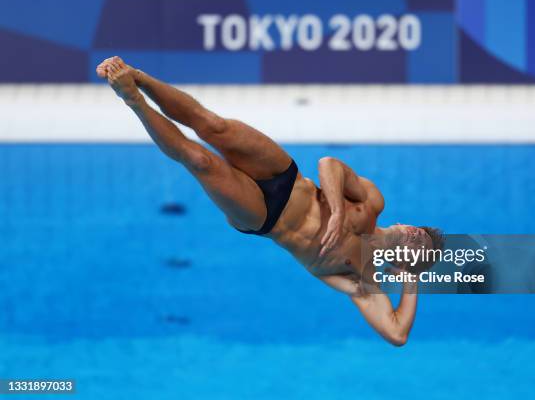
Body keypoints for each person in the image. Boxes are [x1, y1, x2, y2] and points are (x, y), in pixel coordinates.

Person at [96, 56, 444, 346]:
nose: (412, 234)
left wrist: (410, 281)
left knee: (200, 161)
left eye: (417, 245)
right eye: (418, 231)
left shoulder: (360, 278)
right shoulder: (372, 204)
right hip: (286, 178)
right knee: (213, 125)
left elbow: (397, 335)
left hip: (264, 218)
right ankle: (137, 76)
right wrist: (337, 210)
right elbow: (329, 165)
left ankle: (133, 99)